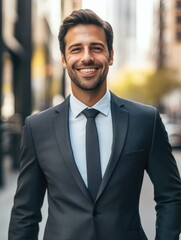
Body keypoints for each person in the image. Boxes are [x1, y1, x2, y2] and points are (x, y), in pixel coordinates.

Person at [8, 9, 181, 240]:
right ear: (63, 58)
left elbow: (171, 195)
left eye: (96, 48)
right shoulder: (37, 128)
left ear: (110, 55)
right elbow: (25, 214)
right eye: (76, 49)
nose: (87, 57)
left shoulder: (145, 120)